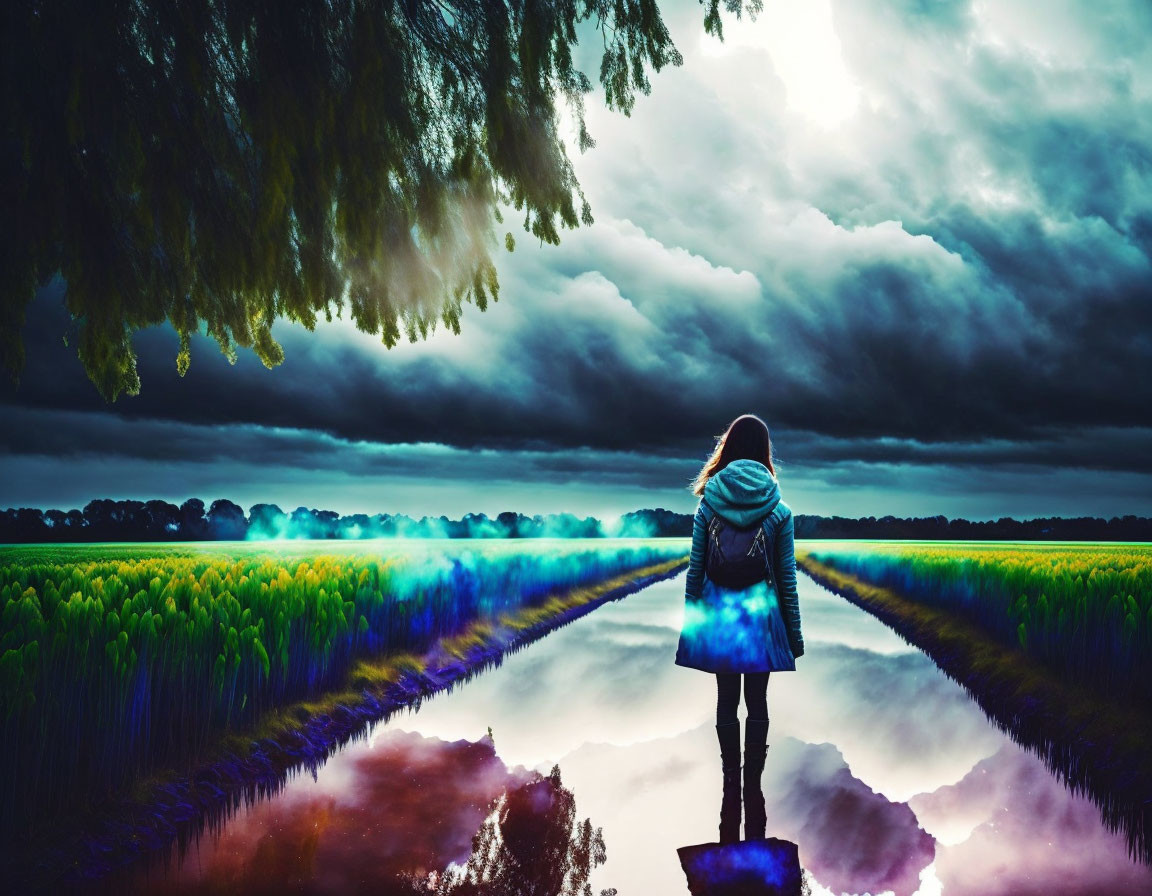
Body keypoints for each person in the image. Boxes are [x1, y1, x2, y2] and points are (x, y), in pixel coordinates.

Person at [674, 414, 804, 833]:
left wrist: (691, 627)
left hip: (719, 617)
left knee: (726, 697)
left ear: (727, 447)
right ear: (764, 450)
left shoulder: (707, 504)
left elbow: (695, 570)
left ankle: (731, 777)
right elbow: (787, 580)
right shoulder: (780, 511)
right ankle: (753, 780)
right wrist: (793, 635)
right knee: (758, 701)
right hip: (761, 619)